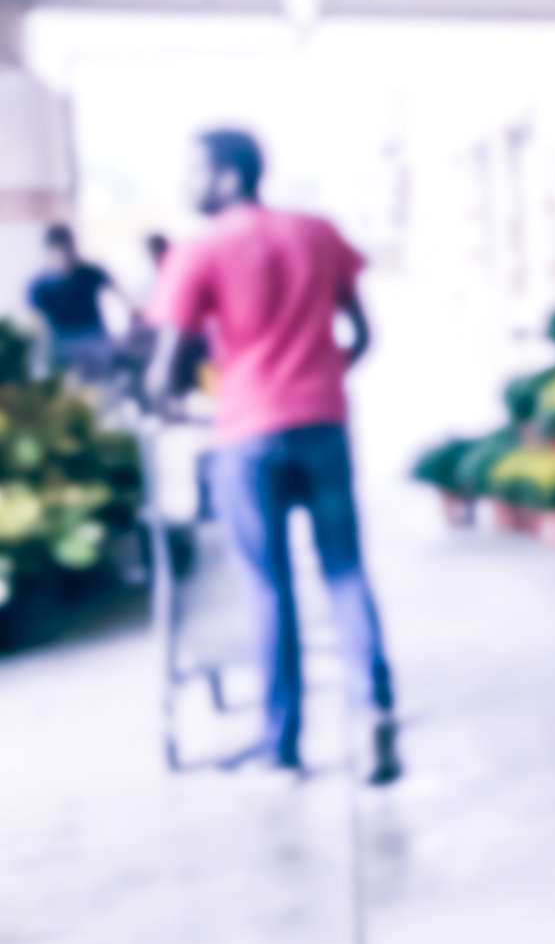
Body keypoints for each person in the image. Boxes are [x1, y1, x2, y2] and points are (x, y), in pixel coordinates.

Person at [146, 130, 400, 784]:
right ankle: (373, 714)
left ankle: (282, 740)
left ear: (230, 174)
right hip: (322, 424)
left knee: (268, 586)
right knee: (344, 570)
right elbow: (362, 334)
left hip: (246, 436)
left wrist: (190, 404)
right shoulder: (318, 233)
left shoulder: (199, 248)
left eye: (195, 168)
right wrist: (317, 379)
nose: (187, 183)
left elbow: (163, 374)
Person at [26, 223, 124, 378]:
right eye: (59, 250)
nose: (65, 254)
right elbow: (35, 322)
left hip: (92, 339)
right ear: (49, 251)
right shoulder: (40, 285)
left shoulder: (89, 273)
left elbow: (118, 294)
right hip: (60, 343)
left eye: (68, 248)